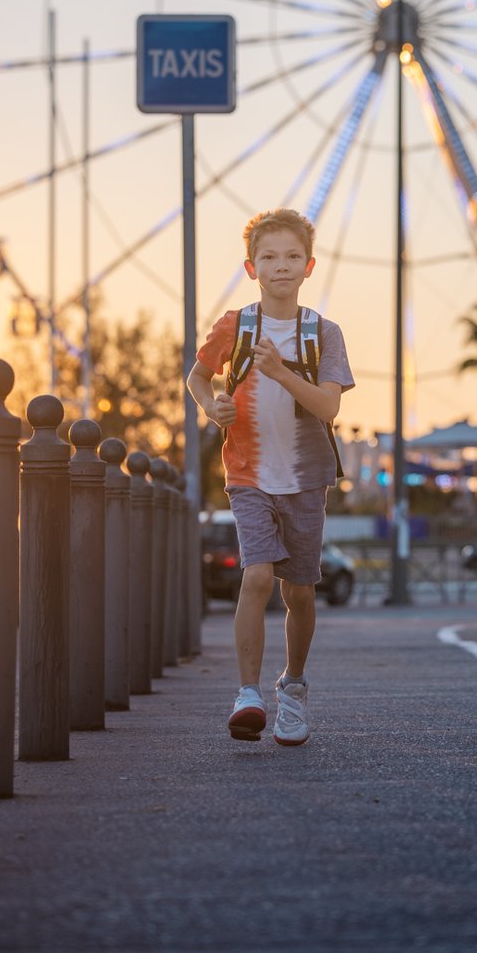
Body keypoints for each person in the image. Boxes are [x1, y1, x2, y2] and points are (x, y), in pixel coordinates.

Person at [186, 208, 354, 747]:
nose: (279, 266)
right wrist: (212, 407)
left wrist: (280, 371)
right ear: (250, 267)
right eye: (268, 257)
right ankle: (247, 694)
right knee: (257, 576)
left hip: (306, 478)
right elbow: (198, 376)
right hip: (248, 473)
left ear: (308, 266)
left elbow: (328, 407)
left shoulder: (323, 333)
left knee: (299, 592)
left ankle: (294, 688)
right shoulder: (235, 325)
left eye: (289, 257)